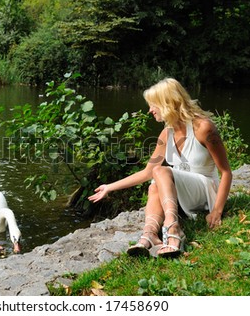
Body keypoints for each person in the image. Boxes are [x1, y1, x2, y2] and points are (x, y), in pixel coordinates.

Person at [88, 78, 232, 258]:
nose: (150, 110)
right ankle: (150, 234)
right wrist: (109, 187)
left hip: (205, 191)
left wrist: (216, 212)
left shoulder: (204, 128)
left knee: (161, 171)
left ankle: (173, 228)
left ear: (168, 103)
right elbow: (148, 172)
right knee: (155, 184)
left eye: (153, 105)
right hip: (182, 192)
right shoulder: (166, 133)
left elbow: (226, 172)